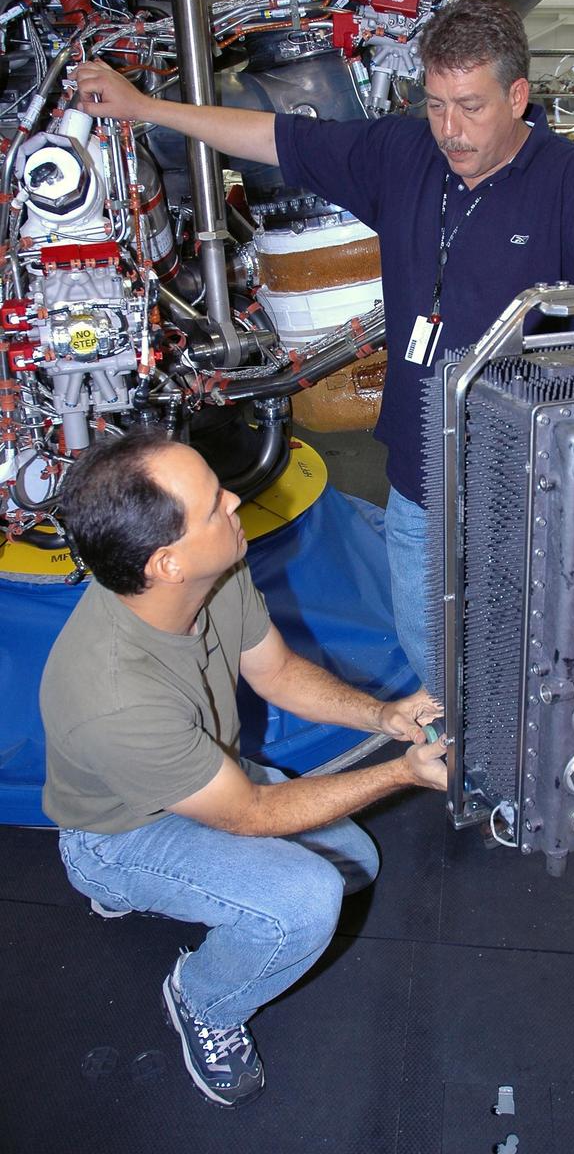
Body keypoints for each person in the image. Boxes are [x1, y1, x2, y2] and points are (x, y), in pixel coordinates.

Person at [71, 0, 574, 685]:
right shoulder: (400, 153)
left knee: (532, 662)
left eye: (470, 105)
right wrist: (144, 109)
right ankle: (452, 770)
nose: (450, 129)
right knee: (434, 663)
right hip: (418, 476)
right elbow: (269, 137)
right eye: (435, 104)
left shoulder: (570, 180)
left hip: (525, 483)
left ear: (517, 96)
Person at [40, 429, 447, 1108]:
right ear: (166, 562)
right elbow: (248, 816)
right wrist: (400, 773)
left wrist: (384, 718)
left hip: (208, 777)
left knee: (355, 865)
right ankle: (204, 1000)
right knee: (304, 903)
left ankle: (159, 894)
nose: (233, 499)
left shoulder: (213, 573)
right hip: (119, 835)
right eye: (212, 505)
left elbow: (279, 673)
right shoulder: (112, 695)